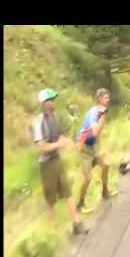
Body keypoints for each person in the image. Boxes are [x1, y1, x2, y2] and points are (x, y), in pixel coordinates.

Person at [29, 89, 88, 235]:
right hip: (46, 165)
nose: (52, 103)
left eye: (52, 100)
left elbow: (60, 137)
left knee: (67, 193)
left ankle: (76, 224)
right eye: (50, 101)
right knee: (50, 200)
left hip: (57, 160)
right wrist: (59, 145)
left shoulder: (54, 118)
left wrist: (68, 142)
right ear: (44, 103)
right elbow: (41, 147)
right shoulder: (38, 122)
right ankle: (52, 232)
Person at [75, 88, 112, 213]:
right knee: (87, 178)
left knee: (106, 165)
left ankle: (105, 191)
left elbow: (98, 134)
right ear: (99, 99)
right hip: (84, 145)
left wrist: (99, 147)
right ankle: (80, 204)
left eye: (108, 97)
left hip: (93, 144)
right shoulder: (93, 113)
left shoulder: (102, 113)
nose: (108, 100)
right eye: (106, 97)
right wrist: (101, 117)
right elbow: (95, 132)